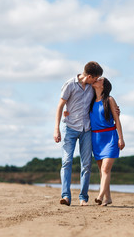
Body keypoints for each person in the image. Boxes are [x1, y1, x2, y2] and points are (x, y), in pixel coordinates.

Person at [53, 61, 103, 206]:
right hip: (69, 128)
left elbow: (103, 95)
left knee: (86, 164)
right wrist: (56, 128)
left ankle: (83, 198)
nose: (96, 81)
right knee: (67, 161)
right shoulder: (70, 85)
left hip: (87, 129)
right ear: (89, 76)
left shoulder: (92, 86)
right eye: (95, 78)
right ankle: (66, 196)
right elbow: (60, 106)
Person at [90, 77, 125, 206]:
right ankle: (108, 198)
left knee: (105, 169)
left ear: (103, 86)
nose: (96, 80)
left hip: (110, 137)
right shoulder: (91, 101)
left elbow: (117, 120)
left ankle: (100, 195)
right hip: (96, 139)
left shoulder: (109, 100)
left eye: (99, 80)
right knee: (102, 170)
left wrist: (121, 138)